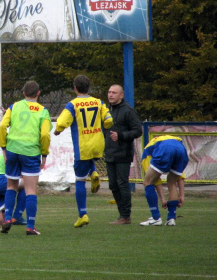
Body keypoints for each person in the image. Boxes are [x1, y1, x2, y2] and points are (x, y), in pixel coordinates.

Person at [54, 75, 113, 228]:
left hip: (83, 147)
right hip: (98, 143)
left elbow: (61, 122)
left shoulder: (73, 105)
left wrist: (58, 130)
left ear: (75, 88)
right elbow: (108, 119)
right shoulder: (98, 102)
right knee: (90, 160)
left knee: (79, 180)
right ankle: (93, 172)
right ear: (89, 87)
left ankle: (83, 214)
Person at [0, 81, 51, 235]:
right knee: (30, 190)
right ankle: (30, 226)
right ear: (38, 93)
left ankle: (7, 219)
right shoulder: (43, 111)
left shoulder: (14, 106)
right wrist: (44, 154)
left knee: (11, 186)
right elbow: (45, 134)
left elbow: (2, 127)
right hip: (31, 152)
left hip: (13, 150)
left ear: (23, 93)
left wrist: (3, 147)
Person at [104, 84, 142, 225]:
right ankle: (122, 215)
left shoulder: (128, 111)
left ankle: (125, 216)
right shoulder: (107, 111)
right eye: (109, 92)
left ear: (121, 95)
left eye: (114, 92)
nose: (111, 95)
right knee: (113, 185)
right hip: (109, 153)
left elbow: (138, 131)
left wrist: (121, 135)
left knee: (122, 183)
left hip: (123, 154)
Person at [139, 135, 188, 226]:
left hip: (165, 148)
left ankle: (155, 218)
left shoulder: (146, 153)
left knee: (147, 182)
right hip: (181, 147)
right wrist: (181, 195)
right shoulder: (168, 140)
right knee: (172, 182)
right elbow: (180, 177)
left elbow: (154, 181)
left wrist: (162, 199)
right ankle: (171, 218)